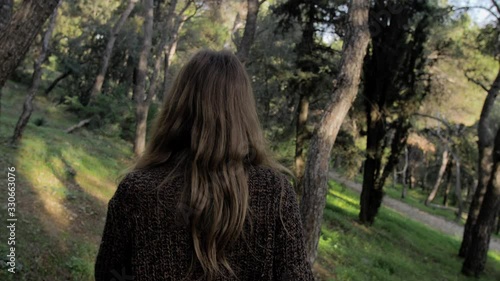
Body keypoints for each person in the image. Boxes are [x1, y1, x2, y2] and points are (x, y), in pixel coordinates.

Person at [94, 49, 314, 281]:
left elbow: (109, 276)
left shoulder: (138, 190)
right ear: (243, 112)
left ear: (179, 107)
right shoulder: (274, 192)